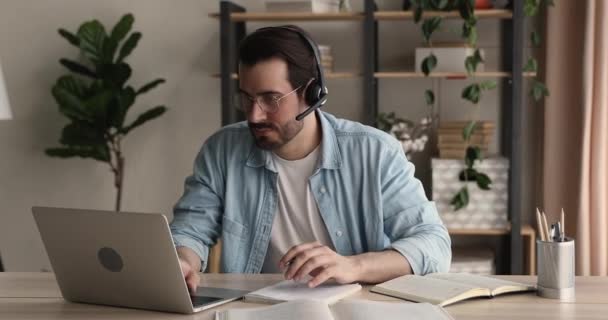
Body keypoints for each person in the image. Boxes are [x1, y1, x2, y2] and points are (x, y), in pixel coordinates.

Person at [170, 25, 451, 294]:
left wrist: (353, 266)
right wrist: (184, 261)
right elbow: (192, 230)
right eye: (246, 98)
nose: (254, 115)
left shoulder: (375, 152)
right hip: (256, 309)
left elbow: (434, 245)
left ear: (312, 93)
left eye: (271, 99)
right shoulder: (221, 150)